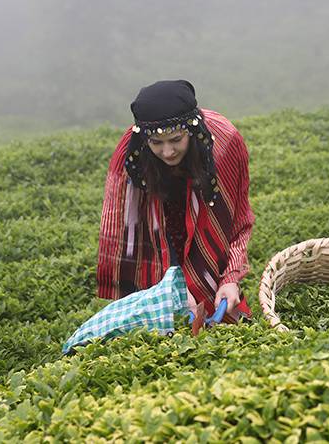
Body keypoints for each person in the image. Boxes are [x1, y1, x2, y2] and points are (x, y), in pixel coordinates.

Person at [96, 80, 254, 322]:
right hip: (165, 222)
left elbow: (238, 221)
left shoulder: (223, 146)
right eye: (156, 143)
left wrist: (230, 277)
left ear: (192, 130)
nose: (167, 152)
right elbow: (132, 236)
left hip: (202, 207)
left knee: (220, 315)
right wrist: (171, 290)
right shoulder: (132, 160)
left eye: (176, 140)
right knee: (164, 321)